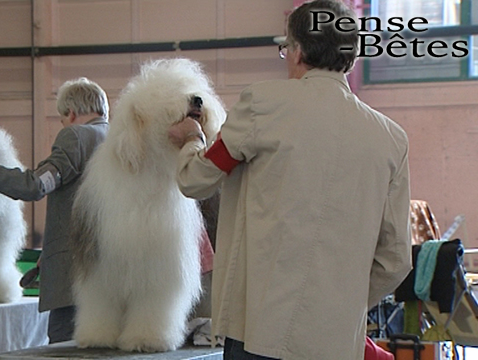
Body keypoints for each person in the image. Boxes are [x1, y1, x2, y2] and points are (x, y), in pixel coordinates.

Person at [167, 1, 412, 359]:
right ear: (352, 57)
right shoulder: (392, 138)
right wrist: (343, 303)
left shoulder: (262, 105)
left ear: (296, 50)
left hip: (262, 333)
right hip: (338, 340)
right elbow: (396, 258)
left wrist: (191, 139)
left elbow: (195, 180)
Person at [0, 77, 109, 344]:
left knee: (64, 347)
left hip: (74, 276)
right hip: (111, 275)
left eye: (62, 119)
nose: (63, 125)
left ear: (71, 113)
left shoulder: (75, 136)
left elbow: (36, 185)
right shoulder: (116, 136)